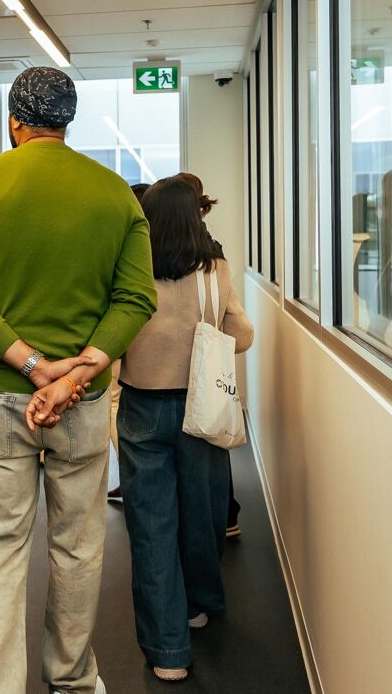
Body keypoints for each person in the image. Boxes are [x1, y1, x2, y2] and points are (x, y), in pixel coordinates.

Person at [0, 66, 157, 694]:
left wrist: (32, 366)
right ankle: (71, 679)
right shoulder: (115, 193)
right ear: (69, 119)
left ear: (14, 121)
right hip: (83, 404)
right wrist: (77, 371)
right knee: (78, 547)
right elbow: (136, 298)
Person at [117, 176, 254, 683]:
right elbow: (242, 336)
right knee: (203, 512)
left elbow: (116, 338)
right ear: (195, 217)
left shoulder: (130, 269)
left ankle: (167, 651)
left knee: (151, 528)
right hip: (201, 408)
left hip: (141, 406)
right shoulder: (213, 270)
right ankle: (200, 604)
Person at [174, 171, 243, 538]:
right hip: (206, 368)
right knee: (214, 437)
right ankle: (226, 515)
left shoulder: (159, 252)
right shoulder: (212, 250)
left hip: (171, 378)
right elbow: (242, 333)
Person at [107, 181, 151, 503]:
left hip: (120, 341)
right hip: (140, 343)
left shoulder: (126, 239)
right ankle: (136, 475)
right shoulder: (153, 243)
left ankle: (133, 475)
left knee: (114, 403)